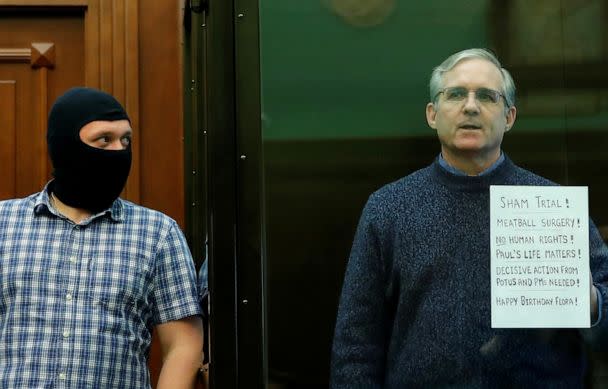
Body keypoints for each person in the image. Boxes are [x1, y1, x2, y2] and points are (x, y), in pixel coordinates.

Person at [330, 48, 608, 387]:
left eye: (488, 97)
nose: (471, 106)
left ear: (509, 117)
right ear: (433, 114)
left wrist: (590, 302)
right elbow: (356, 343)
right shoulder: (388, 208)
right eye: (456, 94)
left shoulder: (553, 206)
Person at [0, 87, 203, 388]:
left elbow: (183, 346)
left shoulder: (158, 233)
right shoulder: (4, 224)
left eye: (126, 140)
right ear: (65, 144)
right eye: (104, 140)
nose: (119, 151)